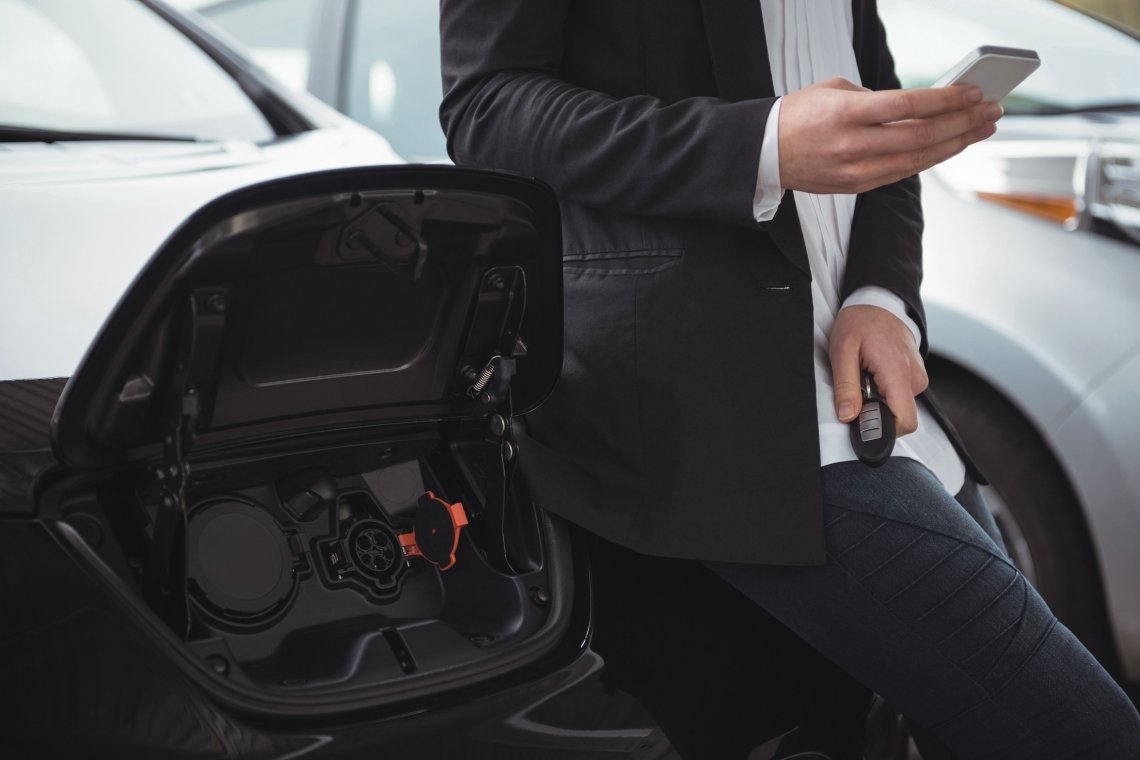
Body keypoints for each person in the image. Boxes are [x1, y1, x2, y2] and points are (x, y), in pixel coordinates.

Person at [438, 1, 1140, 758]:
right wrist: (761, 146)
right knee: (1082, 731)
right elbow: (486, 106)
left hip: (879, 405)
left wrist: (882, 299)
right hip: (718, 409)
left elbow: (874, 129)